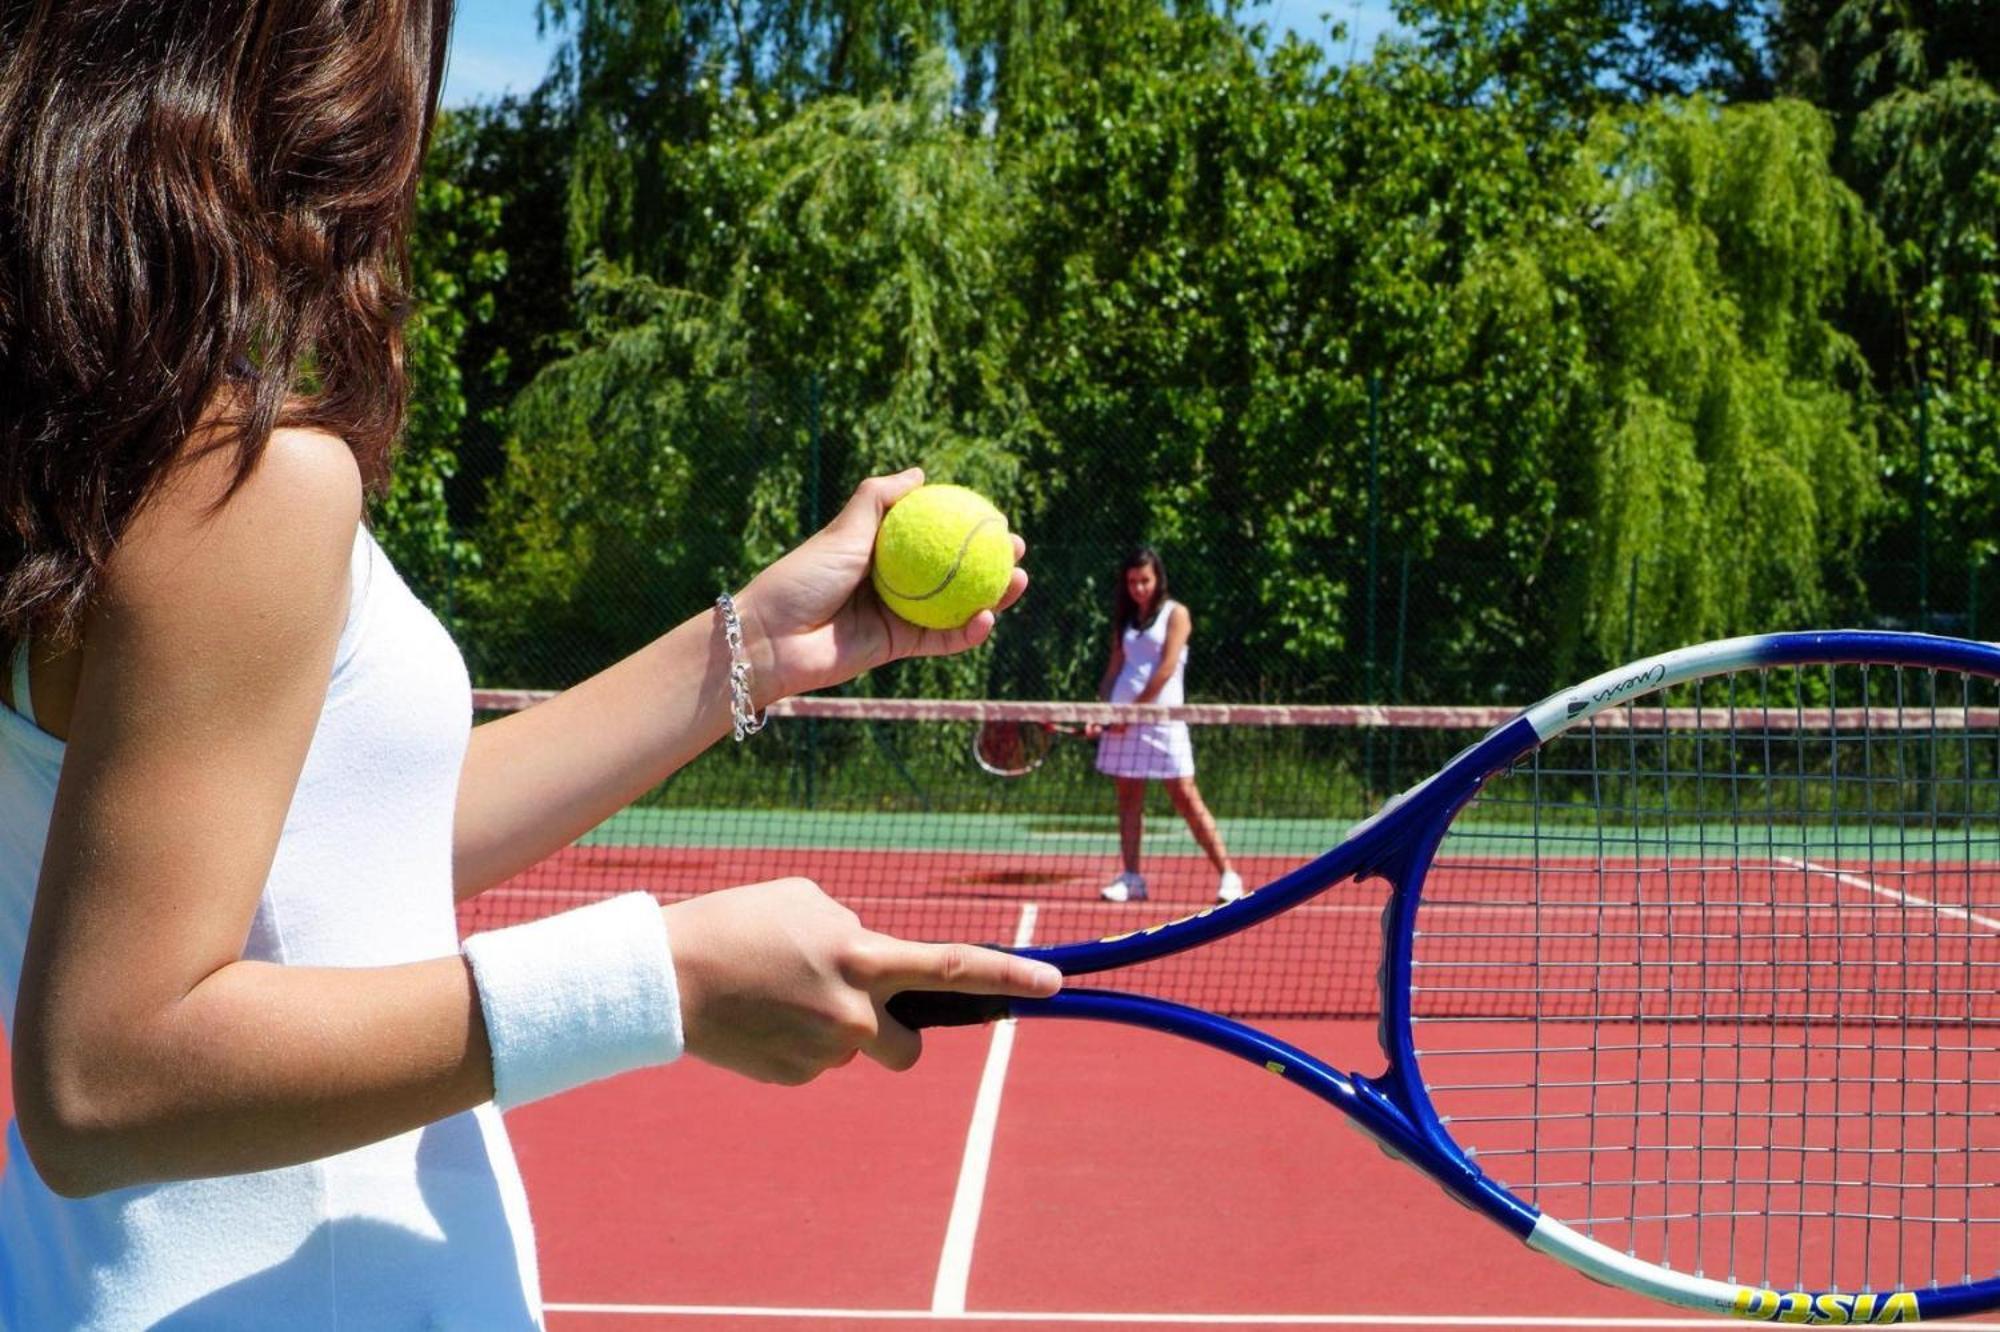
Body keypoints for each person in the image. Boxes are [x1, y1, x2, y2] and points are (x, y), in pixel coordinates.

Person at [0, 5, 1058, 1328]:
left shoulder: (85, 462)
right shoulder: (243, 487)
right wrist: (661, 978)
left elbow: (335, 864)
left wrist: (751, 652)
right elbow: (107, 1078)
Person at [1091, 548, 1244, 905]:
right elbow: (1115, 668)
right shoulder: (1126, 619)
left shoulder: (1177, 615)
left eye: (1144, 580)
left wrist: (1131, 714)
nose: (1138, 588)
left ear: (1157, 578)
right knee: (1128, 800)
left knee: (1186, 797)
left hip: (1162, 721)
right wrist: (1101, 711)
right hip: (1123, 722)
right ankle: (1132, 879)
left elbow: (1166, 668)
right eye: (1132, 582)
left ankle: (1229, 875)